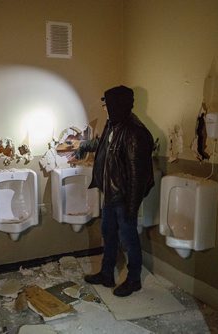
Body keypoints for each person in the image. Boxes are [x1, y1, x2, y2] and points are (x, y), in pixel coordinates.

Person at [73, 85, 155, 297]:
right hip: (111, 193)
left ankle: (134, 279)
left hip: (125, 197)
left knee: (129, 240)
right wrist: (85, 146)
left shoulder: (135, 133)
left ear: (118, 105)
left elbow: (139, 176)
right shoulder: (114, 125)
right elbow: (104, 144)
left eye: (107, 105)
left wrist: (132, 206)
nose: (105, 109)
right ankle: (107, 273)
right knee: (108, 235)